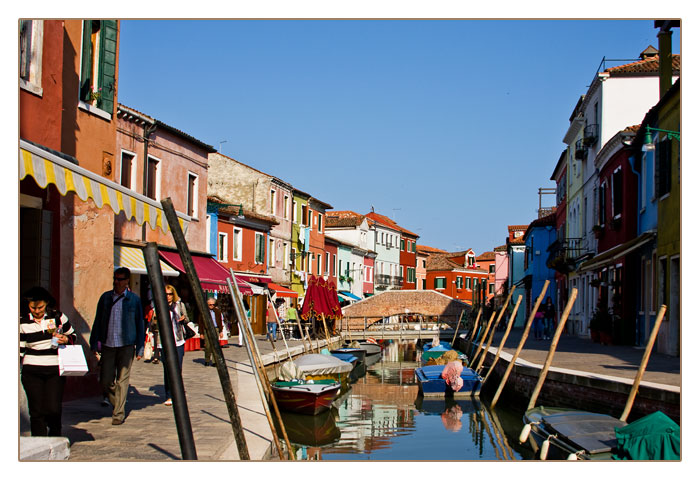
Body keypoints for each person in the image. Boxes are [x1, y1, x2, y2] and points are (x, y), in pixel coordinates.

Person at [89, 267, 145, 425]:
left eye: (120, 279)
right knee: (105, 380)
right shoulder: (106, 298)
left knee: (122, 380)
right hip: (108, 343)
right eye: (115, 278)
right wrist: (94, 342)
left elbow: (140, 324)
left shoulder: (134, 300)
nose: (116, 282)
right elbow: (98, 320)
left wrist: (140, 347)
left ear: (127, 281)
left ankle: (118, 413)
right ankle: (118, 402)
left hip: (127, 344)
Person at [20, 286, 77, 436]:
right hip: (31, 371)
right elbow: (20, 348)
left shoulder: (58, 317)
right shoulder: (22, 322)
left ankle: (55, 437)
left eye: (40, 307)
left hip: (54, 370)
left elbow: (73, 335)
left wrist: (66, 339)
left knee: (53, 408)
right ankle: (39, 441)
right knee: (36, 410)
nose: (36, 311)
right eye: (33, 308)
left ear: (46, 303)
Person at [160, 285, 186, 406]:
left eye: (170, 294)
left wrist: (183, 318)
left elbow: (187, 319)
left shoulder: (179, 305)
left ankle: (177, 394)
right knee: (167, 369)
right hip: (164, 342)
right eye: (166, 294)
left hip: (178, 341)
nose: (168, 297)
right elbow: (153, 323)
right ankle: (169, 395)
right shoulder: (159, 306)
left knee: (178, 368)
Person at [198, 297, 223, 366]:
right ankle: (207, 359)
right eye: (210, 305)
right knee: (208, 346)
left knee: (215, 346)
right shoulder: (203, 311)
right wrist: (201, 333)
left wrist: (221, 331)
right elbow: (200, 322)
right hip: (207, 329)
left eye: (213, 304)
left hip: (215, 328)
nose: (212, 306)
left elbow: (220, 321)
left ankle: (215, 361)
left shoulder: (217, 311)